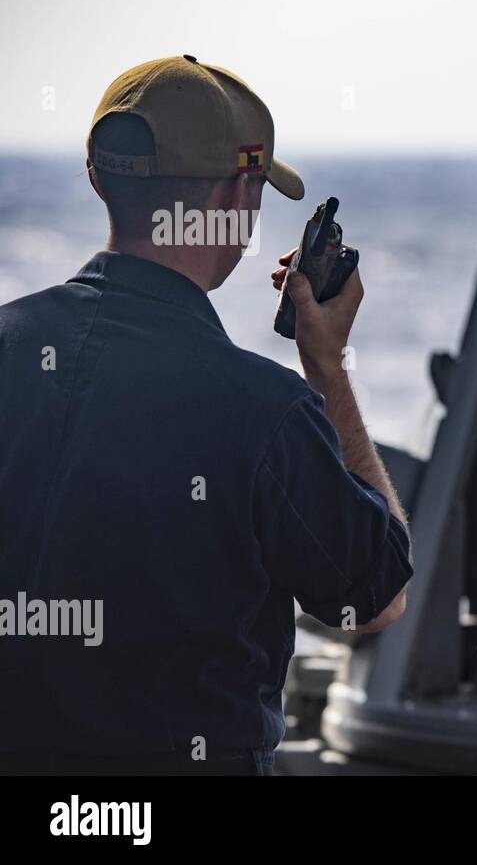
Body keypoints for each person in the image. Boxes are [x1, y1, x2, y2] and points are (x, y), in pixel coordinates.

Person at [0, 56, 413, 775]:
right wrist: (327, 368)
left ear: (101, 177)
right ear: (239, 191)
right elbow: (374, 600)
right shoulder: (264, 410)